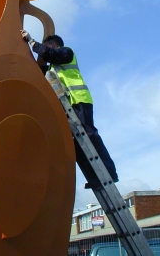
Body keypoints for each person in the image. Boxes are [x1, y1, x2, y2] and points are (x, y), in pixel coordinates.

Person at [21, 30, 118, 189]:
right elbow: (40, 73)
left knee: (89, 135)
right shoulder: (53, 67)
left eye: (48, 46)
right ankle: (94, 177)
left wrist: (32, 42)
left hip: (79, 99)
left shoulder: (66, 52)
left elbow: (49, 53)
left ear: (53, 45)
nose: (46, 50)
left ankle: (109, 172)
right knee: (76, 142)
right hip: (68, 105)